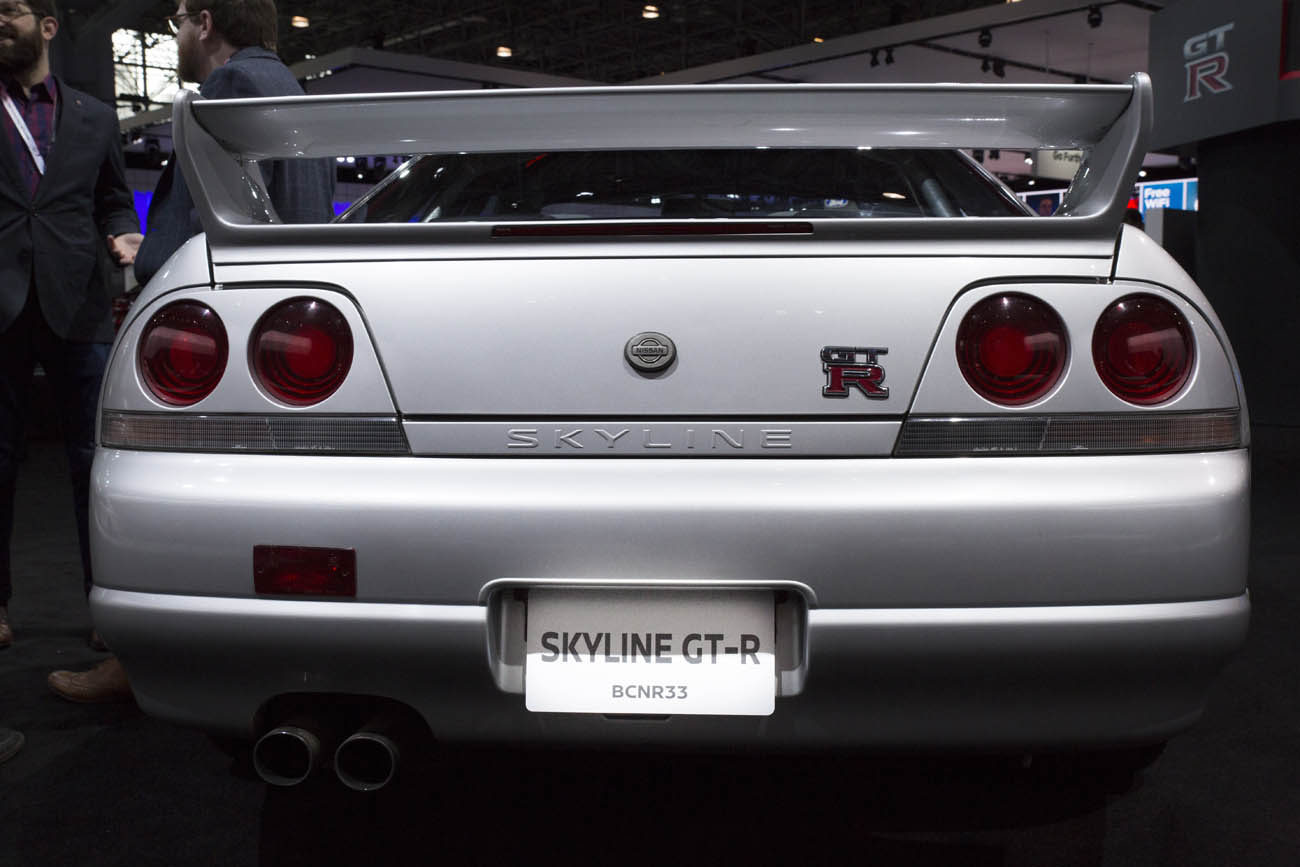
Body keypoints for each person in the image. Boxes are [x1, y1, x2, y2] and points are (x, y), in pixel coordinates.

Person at [48, 0, 333, 702]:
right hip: (288, 336)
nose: (176, 33)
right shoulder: (289, 87)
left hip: (229, 338)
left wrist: (146, 255)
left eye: (178, 20)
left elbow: (186, 232)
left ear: (205, 22)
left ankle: (144, 663)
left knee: (171, 503)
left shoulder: (228, 90)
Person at [0, 0, 139, 651]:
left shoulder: (95, 116)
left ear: (48, 27)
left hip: (77, 301)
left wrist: (123, 232)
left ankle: (103, 609)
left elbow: (112, 196)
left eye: (10, 10)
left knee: (94, 464)